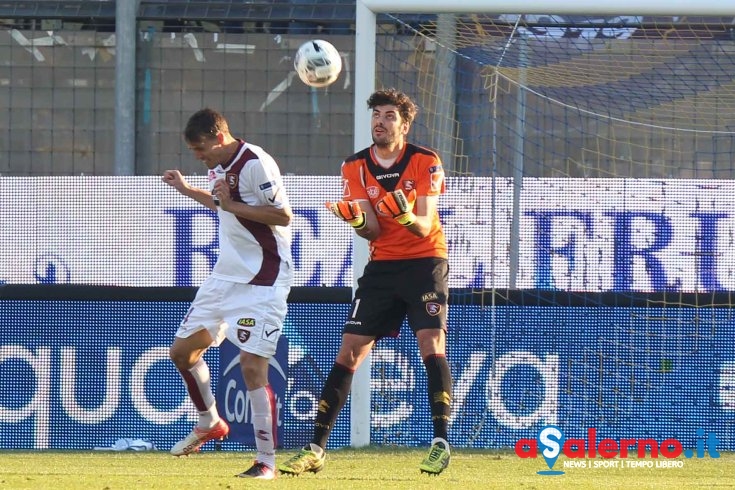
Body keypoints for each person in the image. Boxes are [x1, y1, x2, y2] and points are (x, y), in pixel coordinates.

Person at [278, 88, 452, 476]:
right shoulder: (354, 166)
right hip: (383, 267)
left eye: (390, 115)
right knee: (350, 350)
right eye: (377, 114)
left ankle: (440, 442)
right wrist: (357, 220)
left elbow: (424, 225)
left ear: (404, 125)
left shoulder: (425, 161)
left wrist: (405, 215)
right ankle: (315, 449)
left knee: (430, 341)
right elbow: (372, 231)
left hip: (425, 262)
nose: (380, 121)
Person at [162, 108, 293, 480]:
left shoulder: (256, 163)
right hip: (224, 277)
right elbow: (225, 209)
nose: (198, 156)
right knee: (182, 352)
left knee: (253, 367)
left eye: (200, 148)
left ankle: (266, 462)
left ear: (219, 137)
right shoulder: (218, 164)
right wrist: (189, 191)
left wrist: (229, 204)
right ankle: (209, 421)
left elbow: (283, 216)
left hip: (262, 279)